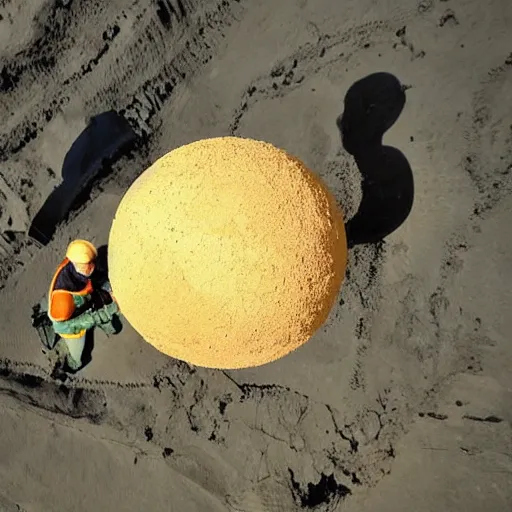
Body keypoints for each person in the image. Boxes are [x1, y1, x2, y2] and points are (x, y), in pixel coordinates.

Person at [47, 239, 120, 371]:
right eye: (90, 264)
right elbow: (76, 323)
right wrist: (110, 309)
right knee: (77, 355)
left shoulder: (76, 267)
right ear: (80, 266)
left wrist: (109, 288)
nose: (93, 265)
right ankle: (70, 366)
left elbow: (93, 278)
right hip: (69, 327)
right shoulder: (63, 302)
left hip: (81, 305)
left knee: (111, 323)